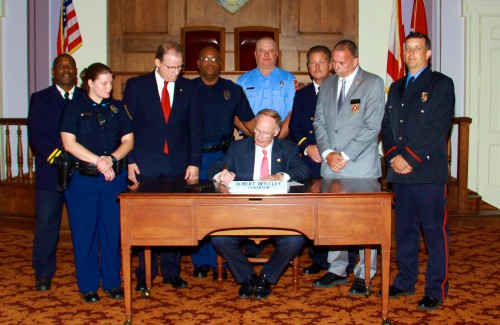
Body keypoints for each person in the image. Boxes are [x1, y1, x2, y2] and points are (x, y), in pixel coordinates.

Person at [381, 32, 454, 310]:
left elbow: (437, 128)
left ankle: (436, 289)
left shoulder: (440, 84)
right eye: (407, 49)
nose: (411, 53)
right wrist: (393, 157)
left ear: (428, 53)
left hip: (427, 172)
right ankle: (405, 281)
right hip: (399, 173)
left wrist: (408, 157)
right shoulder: (397, 86)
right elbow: (386, 126)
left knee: (435, 233)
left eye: (417, 49)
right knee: (406, 232)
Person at [123, 41, 202, 291]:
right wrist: (130, 160)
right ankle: (145, 274)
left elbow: (195, 128)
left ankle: (172, 272)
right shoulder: (137, 86)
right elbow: (127, 126)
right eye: (170, 67)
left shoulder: (189, 88)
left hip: (178, 163)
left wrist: (195, 163)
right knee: (146, 220)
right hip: (145, 162)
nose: (176, 72)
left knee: (175, 219)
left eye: (179, 67)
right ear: (157, 63)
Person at [208, 109, 310, 299]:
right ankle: (247, 276)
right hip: (242, 213)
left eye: (265, 133)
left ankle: (266, 277)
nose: (259, 137)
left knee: (295, 241)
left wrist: (282, 176)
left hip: (277, 214)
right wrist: (220, 175)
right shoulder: (238, 148)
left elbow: (303, 170)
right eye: (257, 131)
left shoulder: (288, 149)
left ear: (276, 132)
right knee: (220, 239)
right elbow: (214, 167)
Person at [312, 39, 385, 296]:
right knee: (335, 221)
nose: (336, 66)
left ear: (355, 60)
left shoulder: (373, 83)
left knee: (364, 224)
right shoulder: (328, 83)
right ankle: (337, 269)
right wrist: (328, 153)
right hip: (331, 165)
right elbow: (319, 122)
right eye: (334, 61)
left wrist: (343, 154)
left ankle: (365, 275)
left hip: (360, 166)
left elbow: (372, 126)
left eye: (342, 62)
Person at [60, 63, 134, 303]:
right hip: (83, 181)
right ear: (89, 83)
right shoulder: (73, 107)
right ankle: (89, 285)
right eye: (103, 83)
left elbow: (128, 141)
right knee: (85, 233)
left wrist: (112, 159)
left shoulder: (118, 107)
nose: (108, 87)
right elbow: (69, 143)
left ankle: (112, 282)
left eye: (110, 82)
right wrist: (99, 162)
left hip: (114, 180)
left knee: (112, 232)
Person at [190, 46, 255, 280]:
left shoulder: (232, 90)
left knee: (223, 210)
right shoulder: (187, 89)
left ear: (221, 64)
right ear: (197, 63)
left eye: (214, 59)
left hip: (225, 156)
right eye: (205, 58)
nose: (210, 62)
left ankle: (225, 257)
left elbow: (250, 124)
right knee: (198, 209)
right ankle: (202, 261)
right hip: (195, 157)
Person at [28, 54, 84, 292]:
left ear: (76, 70)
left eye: (70, 66)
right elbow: (36, 136)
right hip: (51, 173)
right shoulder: (40, 99)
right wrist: (56, 157)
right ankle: (43, 273)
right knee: (46, 226)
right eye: (61, 66)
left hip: (82, 174)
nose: (66, 70)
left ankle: (87, 271)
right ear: (53, 71)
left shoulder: (85, 97)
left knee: (83, 225)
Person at [288, 45, 333, 275]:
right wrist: (307, 146)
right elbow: (295, 127)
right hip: (311, 161)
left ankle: (345, 257)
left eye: (321, 62)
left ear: (331, 64)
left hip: (335, 161)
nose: (317, 67)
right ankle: (318, 259)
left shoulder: (340, 90)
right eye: (312, 63)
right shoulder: (302, 95)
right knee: (313, 211)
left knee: (335, 211)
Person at [236, 37, 297, 139]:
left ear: (277, 54)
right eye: (262, 51)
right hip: (251, 138)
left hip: (282, 139)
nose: (266, 55)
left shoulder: (289, 79)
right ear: (255, 54)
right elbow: (235, 115)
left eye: (271, 50)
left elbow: (294, 112)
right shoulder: (242, 81)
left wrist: (277, 138)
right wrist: (255, 136)